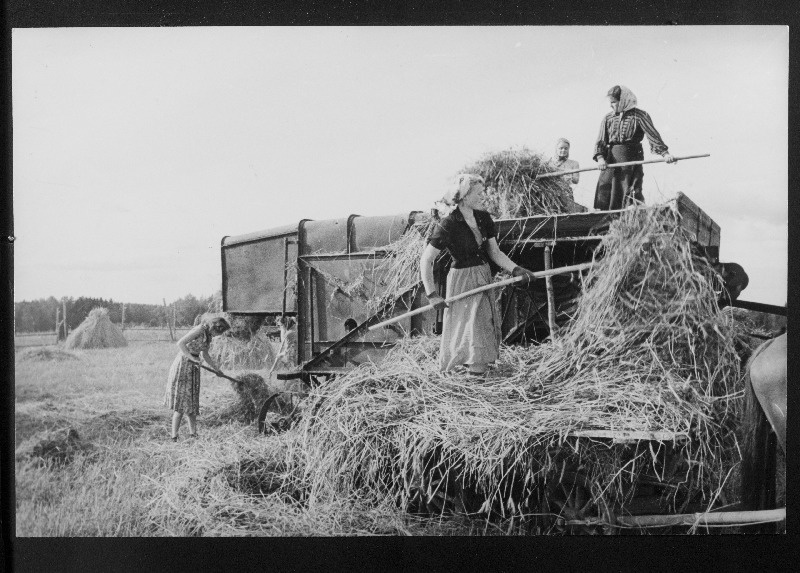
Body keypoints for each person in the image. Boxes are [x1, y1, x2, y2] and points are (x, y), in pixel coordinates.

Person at [420, 174, 537, 376]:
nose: (483, 197)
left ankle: (477, 374)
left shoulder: (483, 218)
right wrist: (432, 294)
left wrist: (516, 269)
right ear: (465, 196)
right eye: (479, 193)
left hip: (482, 275)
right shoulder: (449, 223)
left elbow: (495, 252)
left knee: (482, 326)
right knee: (470, 329)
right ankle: (475, 376)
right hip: (462, 280)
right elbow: (426, 259)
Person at [593, 85, 676, 210]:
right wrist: (600, 158)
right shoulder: (608, 118)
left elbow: (652, 135)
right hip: (611, 159)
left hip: (632, 158)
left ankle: (629, 216)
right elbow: (601, 140)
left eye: (614, 102)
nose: (611, 105)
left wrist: (665, 154)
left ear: (623, 100)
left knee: (630, 191)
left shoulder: (640, 116)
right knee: (606, 189)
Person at [164, 315, 230, 441]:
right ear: (216, 328)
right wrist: (191, 358)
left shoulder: (208, 335)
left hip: (193, 367)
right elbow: (181, 343)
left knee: (192, 403)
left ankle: (193, 434)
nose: (219, 335)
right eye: (220, 332)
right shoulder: (199, 330)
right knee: (181, 404)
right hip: (184, 365)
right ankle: (174, 437)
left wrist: (216, 369)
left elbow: (205, 355)